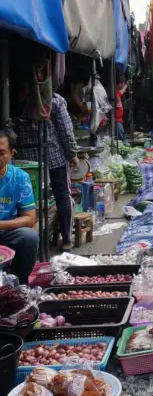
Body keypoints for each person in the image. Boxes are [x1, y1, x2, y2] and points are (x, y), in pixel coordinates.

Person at [16, 91, 79, 252]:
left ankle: (29, 241)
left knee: (29, 198)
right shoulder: (55, 100)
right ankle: (66, 240)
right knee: (63, 195)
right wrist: (72, 153)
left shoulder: (17, 98)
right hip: (53, 156)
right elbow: (65, 130)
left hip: (26, 159)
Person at [0, 130, 39, 284]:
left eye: (1, 153)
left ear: (12, 154)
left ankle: (19, 286)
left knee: (29, 237)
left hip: (8, 232)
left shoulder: (21, 178)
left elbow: (30, 219)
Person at [115, 77, 128, 142]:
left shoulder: (117, 92)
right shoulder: (113, 93)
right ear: (120, 83)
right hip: (116, 121)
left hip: (119, 120)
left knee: (122, 137)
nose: (123, 85)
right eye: (123, 83)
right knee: (122, 139)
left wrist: (126, 85)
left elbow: (122, 91)